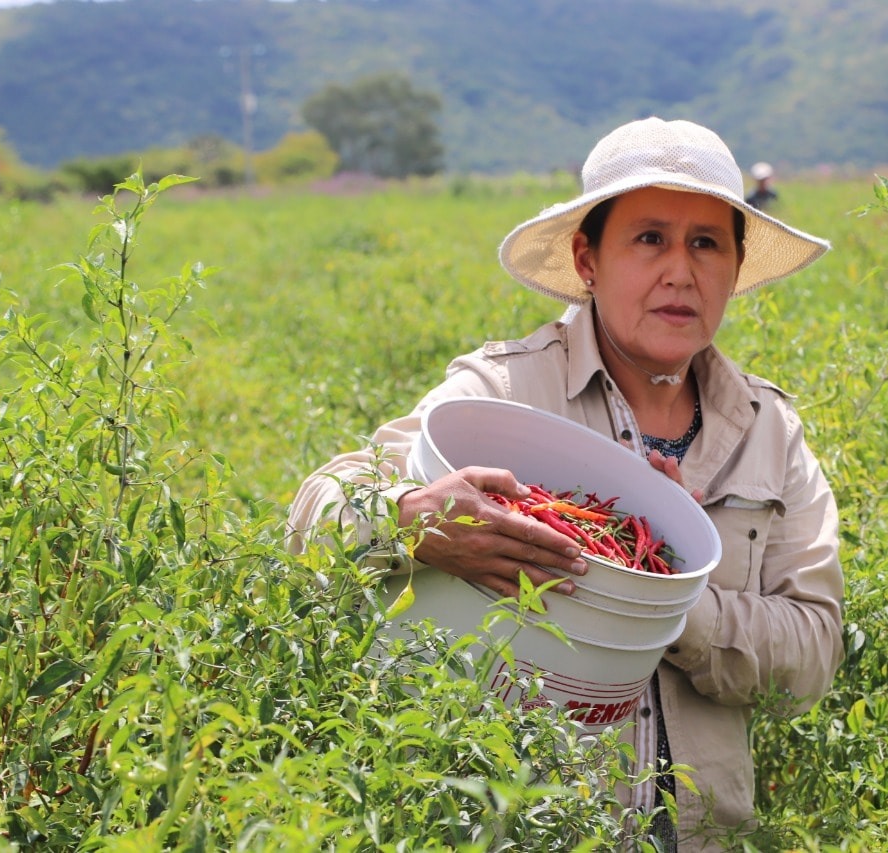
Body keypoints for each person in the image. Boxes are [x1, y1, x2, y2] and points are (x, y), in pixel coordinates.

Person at [286, 117, 845, 851]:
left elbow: (813, 650)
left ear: (735, 268)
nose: (681, 271)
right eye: (650, 238)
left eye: (707, 243)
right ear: (587, 258)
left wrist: (670, 599)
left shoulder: (768, 429)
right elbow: (315, 514)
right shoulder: (506, 389)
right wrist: (413, 515)